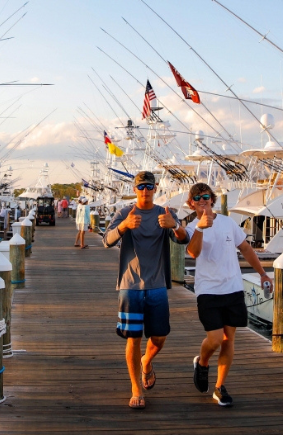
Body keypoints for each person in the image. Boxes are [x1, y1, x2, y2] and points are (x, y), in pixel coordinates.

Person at [103, 171, 187, 409]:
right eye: (141, 187)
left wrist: (176, 225)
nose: (145, 190)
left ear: (156, 188)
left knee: (159, 338)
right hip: (130, 286)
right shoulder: (123, 213)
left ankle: (146, 362)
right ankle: (136, 388)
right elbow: (106, 240)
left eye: (149, 186)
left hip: (157, 284)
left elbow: (184, 239)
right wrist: (124, 227)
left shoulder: (165, 213)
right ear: (134, 189)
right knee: (133, 338)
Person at [185, 183, 272, 407]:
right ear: (191, 203)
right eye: (197, 197)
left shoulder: (227, 222)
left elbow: (245, 249)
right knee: (214, 338)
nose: (202, 200)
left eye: (206, 196)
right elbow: (193, 252)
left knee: (229, 339)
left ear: (212, 200)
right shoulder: (192, 226)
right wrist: (201, 228)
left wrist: (262, 273)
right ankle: (202, 362)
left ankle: (219, 387)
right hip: (208, 290)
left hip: (232, 287)